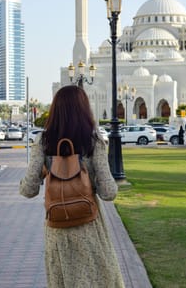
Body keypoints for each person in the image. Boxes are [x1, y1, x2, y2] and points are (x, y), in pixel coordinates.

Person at [19, 86, 124, 288]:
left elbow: (28, 190)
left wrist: (43, 174)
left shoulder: (44, 141)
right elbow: (109, 193)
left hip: (58, 231)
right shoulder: (93, 142)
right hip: (89, 227)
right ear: (84, 109)